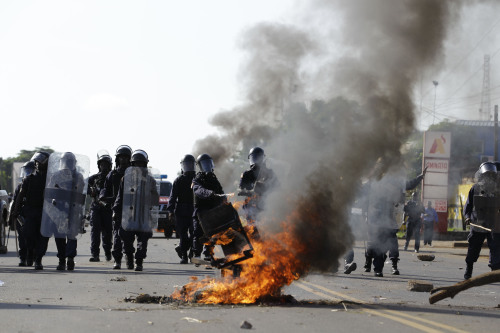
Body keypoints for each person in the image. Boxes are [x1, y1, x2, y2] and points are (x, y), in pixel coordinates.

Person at [364, 165, 427, 277]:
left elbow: (409, 184)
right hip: (374, 219)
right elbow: (360, 191)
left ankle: (379, 269)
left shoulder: (394, 182)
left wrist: (420, 177)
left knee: (388, 243)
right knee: (373, 244)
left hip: (388, 218)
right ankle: (369, 262)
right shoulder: (372, 183)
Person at [112, 149, 158, 271]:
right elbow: (120, 197)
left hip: (143, 215)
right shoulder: (125, 179)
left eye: (141, 164)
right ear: (132, 165)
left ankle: (139, 262)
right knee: (126, 240)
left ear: (145, 165)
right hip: (128, 215)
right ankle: (129, 258)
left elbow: (155, 198)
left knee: (143, 241)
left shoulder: (150, 180)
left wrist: (151, 209)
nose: (139, 166)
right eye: (136, 164)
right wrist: (116, 211)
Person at [42, 152, 86, 271]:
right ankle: (62, 260)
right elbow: (50, 192)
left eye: (69, 162)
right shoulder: (56, 176)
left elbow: (81, 194)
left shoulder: (79, 177)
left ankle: (70, 259)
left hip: (73, 210)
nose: (67, 164)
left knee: (71, 235)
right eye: (66, 161)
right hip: (59, 210)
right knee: (59, 235)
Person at [9, 151, 51, 270]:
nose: (37, 164)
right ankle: (30, 252)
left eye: (40, 162)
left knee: (43, 238)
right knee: (28, 234)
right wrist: (15, 211)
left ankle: (38, 259)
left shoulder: (51, 180)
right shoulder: (29, 179)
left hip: (46, 212)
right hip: (30, 211)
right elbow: (20, 196)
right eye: (36, 162)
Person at [462, 161, 500, 279]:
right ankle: (469, 270)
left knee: (496, 247)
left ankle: (494, 272)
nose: (489, 178)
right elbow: (468, 206)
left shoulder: (498, 189)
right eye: (487, 175)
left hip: (493, 223)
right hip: (478, 223)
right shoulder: (475, 188)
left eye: (491, 175)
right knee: (473, 247)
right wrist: (467, 217)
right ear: (482, 175)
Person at [99, 145, 132, 269]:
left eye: (125, 157)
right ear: (117, 159)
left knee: (128, 237)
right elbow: (105, 189)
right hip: (116, 209)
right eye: (121, 157)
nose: (123, 160)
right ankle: (117, 260)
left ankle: (129, 257)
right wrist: (102, 196)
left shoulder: (134, 173)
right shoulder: (112, 174)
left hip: (131, 209)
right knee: (117, 235)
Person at [192, 153, 226, 262]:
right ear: (200, 166)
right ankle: (197, 254)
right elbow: (198, 190)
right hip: (201, 211)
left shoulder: (214, 179)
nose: (207, 166)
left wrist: (225, 200)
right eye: (204, 164)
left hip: (213, 211)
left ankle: (208, 253)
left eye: (208, 163)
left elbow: (221, 192)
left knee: (212, 232)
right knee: (198, 233)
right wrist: (209, 193)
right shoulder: (197, 180)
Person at [166, 154, 196, 264]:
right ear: (183, 166)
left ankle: (191, 253)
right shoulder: (178, 180)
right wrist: (170, 211)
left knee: (194, 234)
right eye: (186, 165)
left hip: (194, 211)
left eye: (191, 165)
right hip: (181, 211)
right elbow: (172, 196)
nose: (189, 167)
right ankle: (184, 255)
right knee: (183, 235)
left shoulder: (198, 179)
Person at [238, 147, 278, 223]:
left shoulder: (270, 173)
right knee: (253, 227)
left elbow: (278, 188)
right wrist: (251, 191)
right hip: (252, 206)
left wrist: (266, 188)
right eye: (254, 157)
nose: (256, 160)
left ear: (263, 158)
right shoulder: (246, 174)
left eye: (258, 157)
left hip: (267, 204)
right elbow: (240, 190)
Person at [8, 160, 36, 266]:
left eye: (30, 170)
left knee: (32, 237)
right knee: (22, 237)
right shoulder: (20, 186)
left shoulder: (38, 184)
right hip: (22, 214)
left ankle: (32, 256)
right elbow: (15, 200)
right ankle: (23, 257)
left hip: (33, 213)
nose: (27, 173)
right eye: (26, 171)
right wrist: (13, 213)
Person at [87, 151, 113, 262]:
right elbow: (85, 186)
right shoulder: (93, 178)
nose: (104, 167)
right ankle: (95, 254)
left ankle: (107, 252)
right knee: (95, 231)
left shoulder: (113, 177)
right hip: (96, 208)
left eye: (106, 165)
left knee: (108, 232)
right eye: (102, 164)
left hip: (108, 208)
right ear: (99, 165)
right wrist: (90, 191)